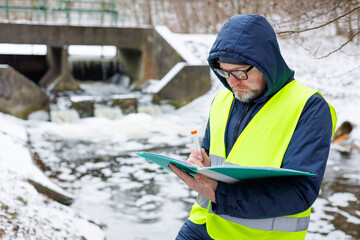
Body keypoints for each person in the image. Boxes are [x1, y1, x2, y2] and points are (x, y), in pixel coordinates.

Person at [168, 14, 337, 240]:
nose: (232, 82)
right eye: (224, 73)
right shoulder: (222, 100)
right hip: (203, 223)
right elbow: (213, 159)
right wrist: (202, 164)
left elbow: (299, 193)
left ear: (266, 63)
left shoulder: (309, 107)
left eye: (239, 73)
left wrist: (219, 193)